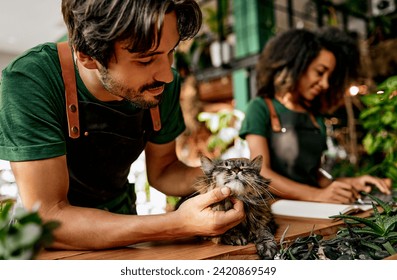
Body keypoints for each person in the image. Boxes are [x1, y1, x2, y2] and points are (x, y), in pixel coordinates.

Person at [0, 0, 244, 250]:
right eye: (146, 60)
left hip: (124, 227)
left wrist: (229, 177)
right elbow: (50, 217)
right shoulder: (30, 80)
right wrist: (176, 223)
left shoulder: (162, 85)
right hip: (54, 249)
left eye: (170, 51)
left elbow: (165, 171)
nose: (167, 75)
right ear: (87, 56)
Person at [239, 27, 392, 204]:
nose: (325, 84)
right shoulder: (260, 107)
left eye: (329, 76)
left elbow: (314, 177)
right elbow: (261, 172)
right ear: (297, 65)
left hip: (313, 207)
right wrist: (317, 196)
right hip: (278, 211)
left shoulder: (315, 116)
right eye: (320, 72)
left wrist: (350, 184)